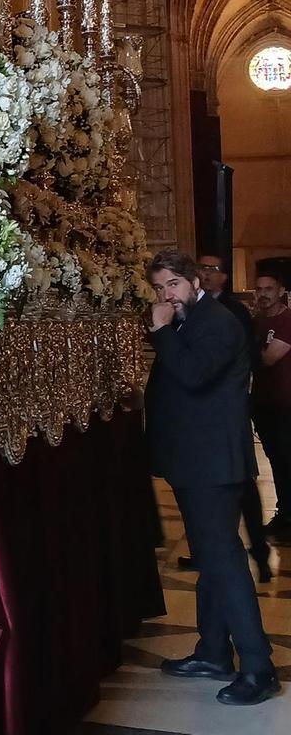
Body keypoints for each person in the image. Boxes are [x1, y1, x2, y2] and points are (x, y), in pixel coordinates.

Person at [145, 250, 278, 706]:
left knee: (224, 561)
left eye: (173, 285)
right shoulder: (190, 321)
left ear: (193, 280)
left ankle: (259, 668)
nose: (167, 295)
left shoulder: (216, 321)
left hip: (213, 463)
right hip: (195, 459)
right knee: (212, 557)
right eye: (160, 288)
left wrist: (161, 330)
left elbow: (195, 375)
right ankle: (214, 651)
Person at [191, 254, 269, 580]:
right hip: (201, 415)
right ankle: (205, 549)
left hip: (227, 411)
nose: (206, 274)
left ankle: (259, 553)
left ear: (224, 277)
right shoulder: (192, 310)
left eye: (213, 269)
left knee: (240, 482)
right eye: (202, 268)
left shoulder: (233, 312)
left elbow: (247, 360)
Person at [252, 262, 291, 542]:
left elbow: (268, 358)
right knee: (277, 461)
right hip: (264, 404)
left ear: (281, 291)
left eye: (269, 289)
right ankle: (284, 512)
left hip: (286, 405)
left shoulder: (287, 321)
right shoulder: (258, 322)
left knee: (287, 461)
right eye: (259, 289)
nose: (263, 294)